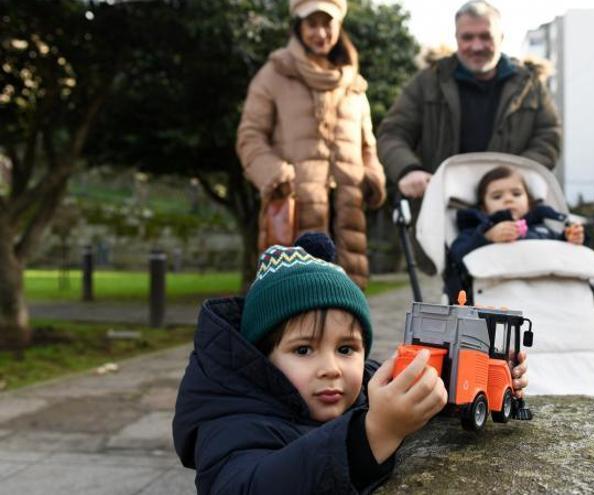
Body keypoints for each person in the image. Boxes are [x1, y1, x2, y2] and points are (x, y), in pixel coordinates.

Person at [172, 233, 531, 494]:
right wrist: (374, 434)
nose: (331, 368)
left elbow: (408, 392)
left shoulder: (360, 388)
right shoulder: (232, 422)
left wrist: (481, 372)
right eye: (303, 350)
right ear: (263, 356)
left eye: (346, 349)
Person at [377, 0, 562, 266]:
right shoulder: (428, 82)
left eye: (485, 36)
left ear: (501, 37)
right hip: (448, 213)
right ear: (456, 38)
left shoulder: (529, 85)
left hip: (510, 213)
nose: (477, 46)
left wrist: (517, 175)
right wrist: (408, 170)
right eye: (468, 37)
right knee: (455, 292)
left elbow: (549, 134)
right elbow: (393, 133)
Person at [236, 0, 386, 289]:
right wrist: (276, 174)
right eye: (311, 23)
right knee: (294, 308)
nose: (320, 32)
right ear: (298, 27)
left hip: (347, 214)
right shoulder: (274, 74)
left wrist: (372, 176)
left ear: (338, 26)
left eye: (327, 23)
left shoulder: (354, 84)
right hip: (296, 209)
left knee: (346, 310)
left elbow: (369, 147)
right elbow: (249, 136)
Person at [445, 166, 584, 301]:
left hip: (545, 292)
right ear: (484, 208)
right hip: (498, 294)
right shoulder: (477, 230)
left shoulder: (542, 228)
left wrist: (569, 238)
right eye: (497, 196)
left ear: (529, 201)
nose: (508, 199)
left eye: (516, 194)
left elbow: (561, 256)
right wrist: (487, 237)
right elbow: (457, 254)